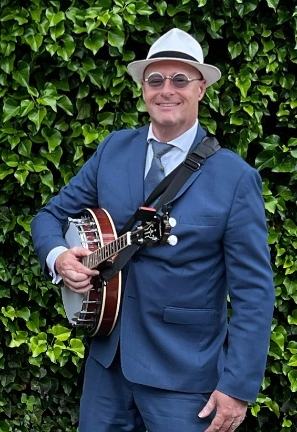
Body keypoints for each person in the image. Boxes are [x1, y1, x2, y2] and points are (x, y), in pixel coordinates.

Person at [31, 28, 274, 432]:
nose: (167, 90)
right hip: (108, 367)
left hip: (184, 378)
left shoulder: (235, 178)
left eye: (180, 80)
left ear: (200, 89)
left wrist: (237, 387)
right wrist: (59, 258)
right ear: (143, 88)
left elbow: (254, 293)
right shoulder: (113, 150)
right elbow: (49, 216)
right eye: (155, 79)